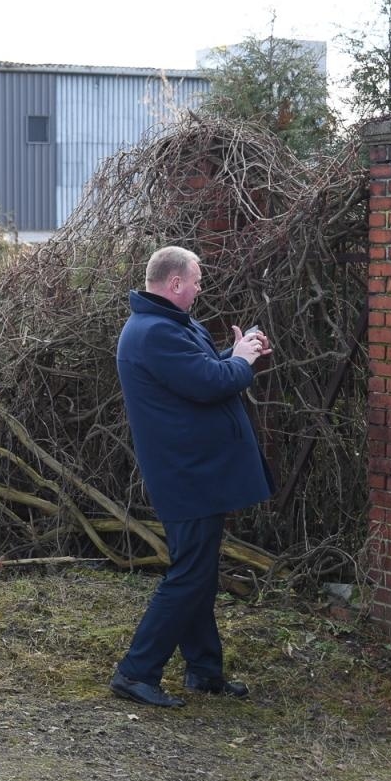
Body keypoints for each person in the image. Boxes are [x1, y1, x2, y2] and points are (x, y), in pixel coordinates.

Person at [109, 246, 275, 709]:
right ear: (175, 283)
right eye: (197, 280)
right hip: (188, 474)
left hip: (197, 472)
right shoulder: (153, 333)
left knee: (199, 574)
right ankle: (136, 671)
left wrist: (239, 354)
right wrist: (238, 361)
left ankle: (203, 670)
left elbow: (198, 374)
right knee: (188, 576)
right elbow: (208, 384)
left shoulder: (171, 326)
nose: (201, 288)